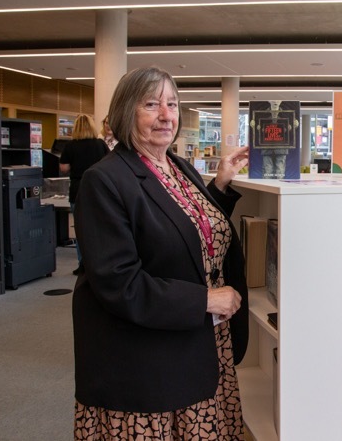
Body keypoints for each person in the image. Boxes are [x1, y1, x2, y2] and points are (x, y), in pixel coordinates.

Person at [71, 66, 251, 440]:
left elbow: (183, 231)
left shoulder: (177, 166)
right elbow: (119, 283)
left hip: (199, 343)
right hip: (148, 363)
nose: (167, 115)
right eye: (151, 104)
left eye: (172, 103)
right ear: (125, 111)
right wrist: (204, 299)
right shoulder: (104, 180)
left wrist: (218, 185)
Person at [59, 114, 109, 274]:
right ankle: (101, 261)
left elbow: (64, 168)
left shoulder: (70, 146)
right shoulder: (100, 144)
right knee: (101, 226)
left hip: (77, 188)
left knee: (80, 228)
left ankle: (83, 264)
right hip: (98, 189)